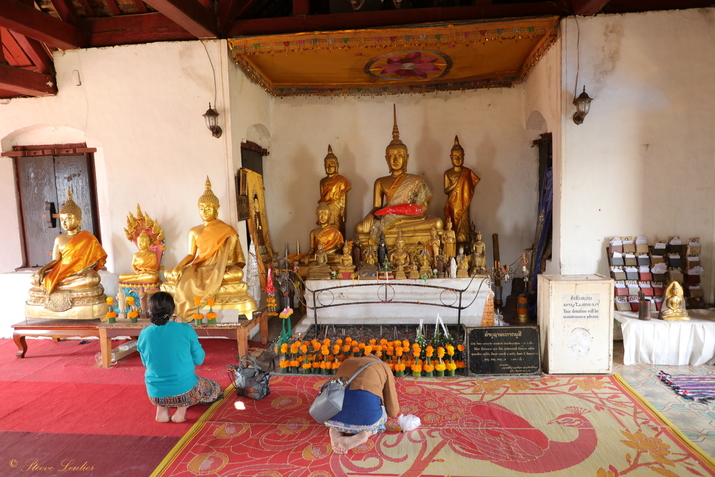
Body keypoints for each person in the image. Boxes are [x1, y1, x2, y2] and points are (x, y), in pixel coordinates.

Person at [162, 177, 255, 321]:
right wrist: (178, 267)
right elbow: (191, 255)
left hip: (221, 268)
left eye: (209, 208)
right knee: (169, 275)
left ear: (217, 209)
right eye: (201, 208)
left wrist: (225, 267)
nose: (205, 212)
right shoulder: (194, 231)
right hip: (200, 267)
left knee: (236, 275)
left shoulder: (227, 230)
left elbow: (234, 260)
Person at [355, 106, 443, 242]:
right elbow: (377, 207)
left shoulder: (417, 180)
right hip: (387, 219)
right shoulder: (380, 182)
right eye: (391, 156)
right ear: (386, 159)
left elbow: (423, 207)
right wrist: (369, 215)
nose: (395, 160)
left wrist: (406, 211)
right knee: (360, 228)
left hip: (411, 219)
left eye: (400, 156)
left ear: (406, 158)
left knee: (437, 223)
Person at [138, 292, 223, 423]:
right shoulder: (184, 328)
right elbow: (199, 359)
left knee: (165, 383)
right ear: (174, 310)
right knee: (213, 387)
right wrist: (182, 328)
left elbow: (145, 362)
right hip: (184, 392)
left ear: (150, 311)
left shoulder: (144, 333)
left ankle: (161, 410)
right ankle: (181, 411)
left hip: (155, 394)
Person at [324, 354, 400, 455]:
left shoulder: (347, 361)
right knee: (383, 413)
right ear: (377, 358)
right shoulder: (383, 366)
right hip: (365, 421)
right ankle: (366, 434)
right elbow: (393, 410)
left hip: (332, 417)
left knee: (343, 404)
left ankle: (335, 429)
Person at [443, 135, 480, 245]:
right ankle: (454, 242)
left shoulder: (468, 172)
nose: (458, 159)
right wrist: (454, 185)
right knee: (452, 224)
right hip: (453, 204)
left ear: (464, 156)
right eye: (455, 157)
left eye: (460, 156)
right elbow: (445, 190)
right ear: (450, 157)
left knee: (464, 223)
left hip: (464, 203)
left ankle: (465, 241)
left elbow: (471, 186)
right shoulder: (447, 173)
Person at [318, 145, 351, 238]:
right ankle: (326, 246)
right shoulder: (322, 181)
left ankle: (339, 247)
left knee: (338, 228)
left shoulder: (341, 180)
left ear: (337, 166)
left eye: (331, 164)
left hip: (337, 207)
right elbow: (322, 198)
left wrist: (343, 210)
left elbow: (343, 196)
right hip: (326, 210)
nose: (329, 166)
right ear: (324, 166)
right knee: (326, 229)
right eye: (327, 164)